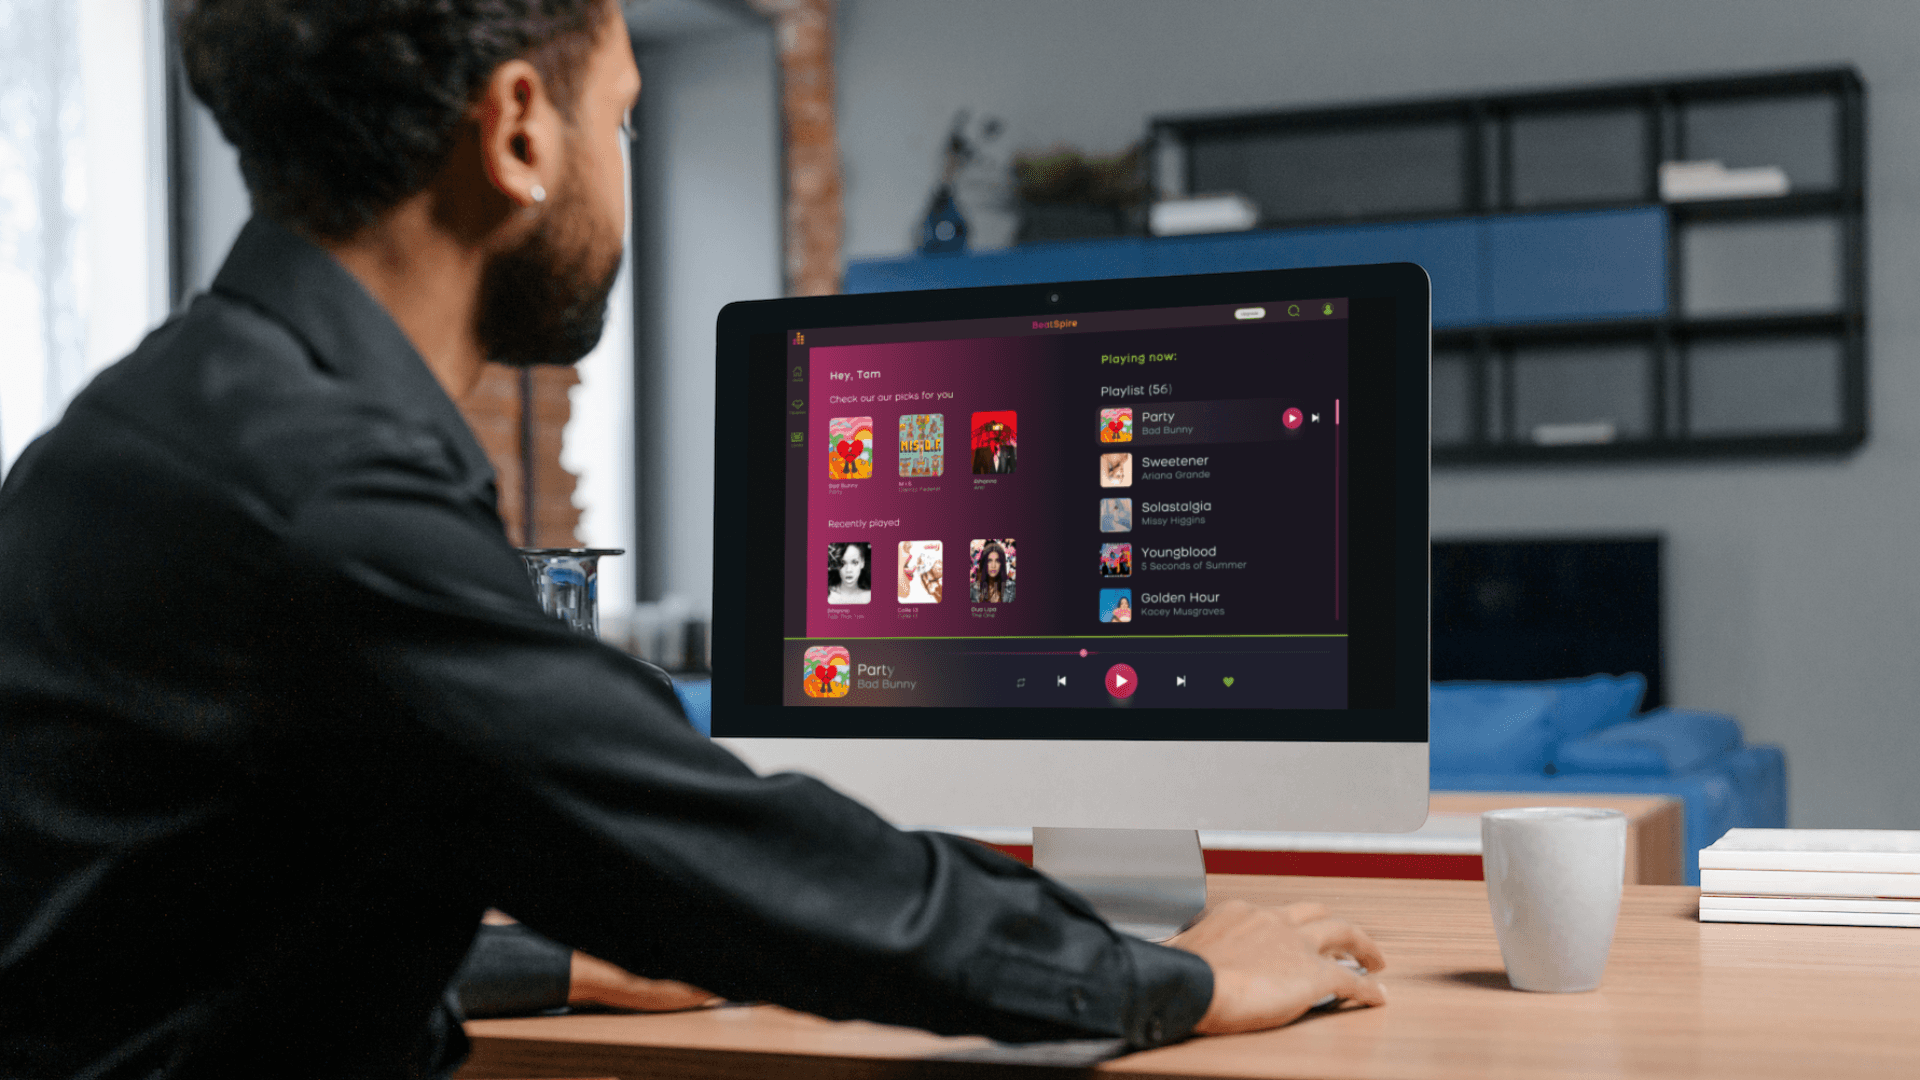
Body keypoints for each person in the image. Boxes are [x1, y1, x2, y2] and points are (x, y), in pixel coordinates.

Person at [0, 3, 1386, 1077]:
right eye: (626, 118)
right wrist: (1179, 978)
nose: (624, 168)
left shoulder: (155, 430)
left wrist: (556, 959)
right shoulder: (321, 503)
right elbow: (752, 873)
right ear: (523, 130)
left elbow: (178, 927)